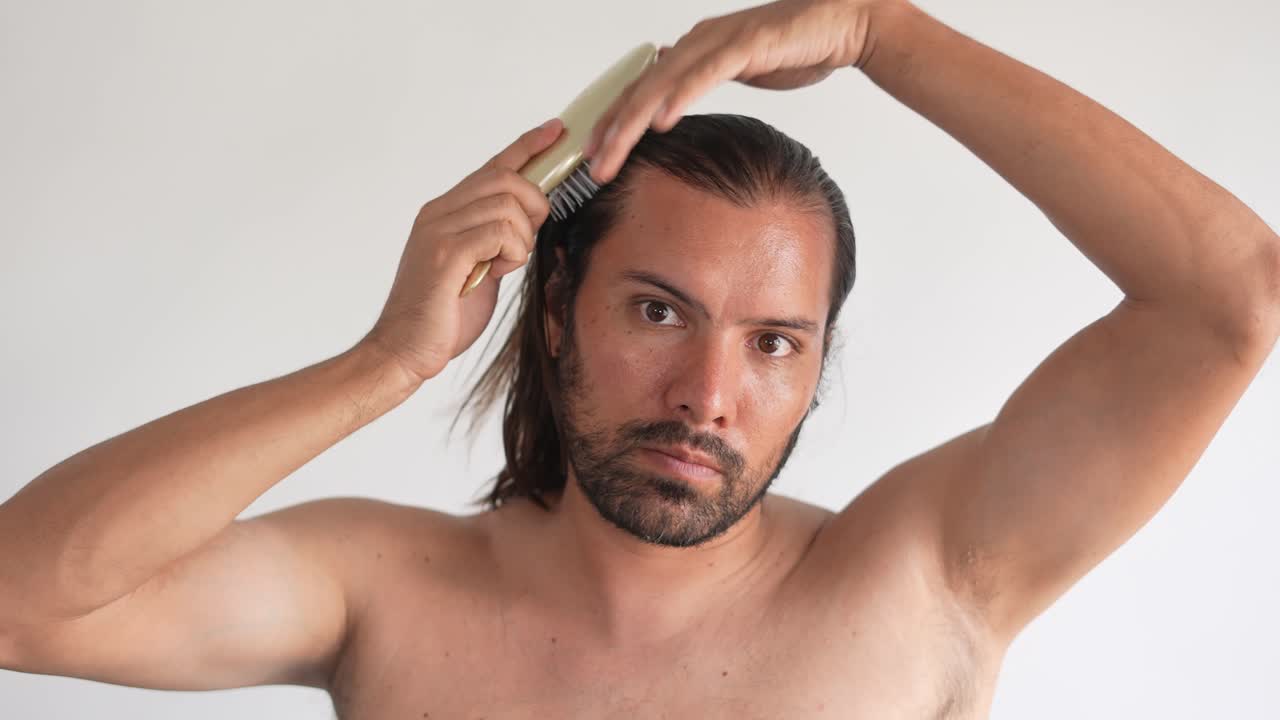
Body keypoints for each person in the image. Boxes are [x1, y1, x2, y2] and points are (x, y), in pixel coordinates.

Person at [1, 0, 1277, 717]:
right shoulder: (382, 589)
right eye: (658, 312)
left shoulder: (925, 577)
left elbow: (1226, 299)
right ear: (553, 304)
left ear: (815, 361)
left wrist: (881, 33)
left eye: (772, 342)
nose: (706, 399)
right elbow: (23, 599)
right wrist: (384, 363)